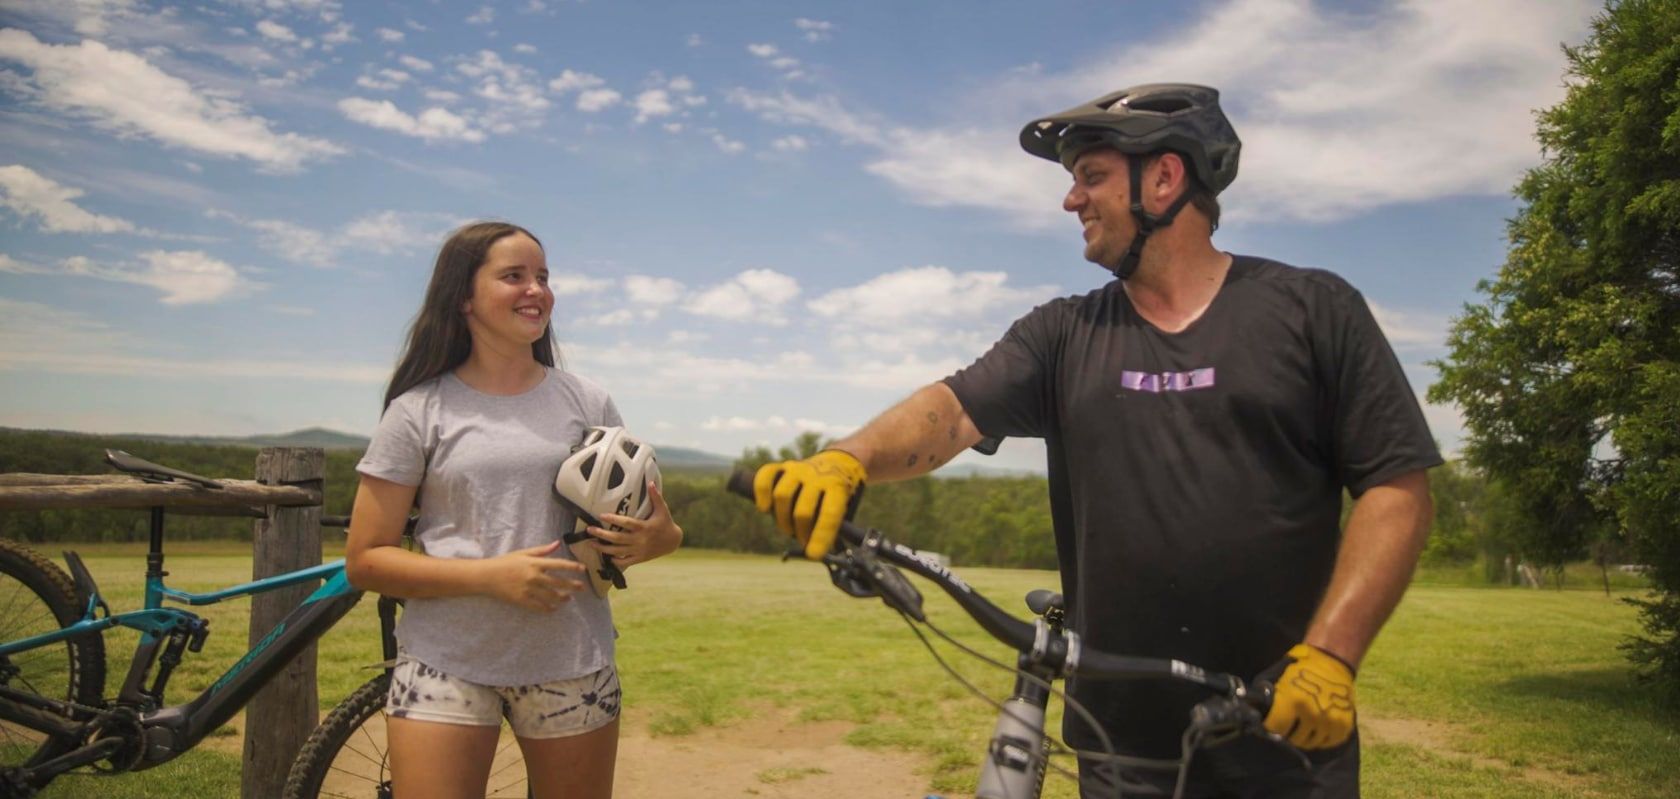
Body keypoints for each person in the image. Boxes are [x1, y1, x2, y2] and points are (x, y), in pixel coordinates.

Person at [753, 84, 1439, 797]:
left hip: (1285, 739)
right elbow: (951, 411)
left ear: (1165, 178)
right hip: (1118, 747)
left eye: (1091, 176)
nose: (1071, 200)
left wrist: (1332, 656)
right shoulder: (1063, 334)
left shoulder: (1312, 310)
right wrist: (846, 458)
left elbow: (1397, 488)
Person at [345, 221, 683, 799]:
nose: (537, 290)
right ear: (464, 298)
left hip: (572, 662)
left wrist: (657, 539)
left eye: (543, 277)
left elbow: (657, 526)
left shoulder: (588, 400)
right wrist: (491, 577)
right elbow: (366, 561)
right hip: (443, 662)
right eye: (514, 276)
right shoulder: (417, 410)